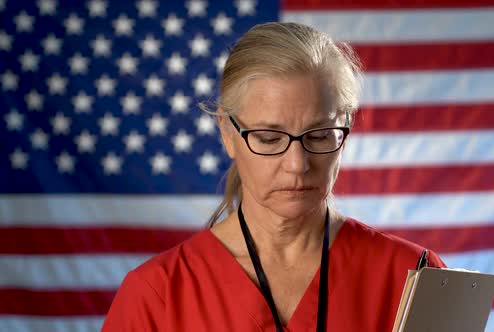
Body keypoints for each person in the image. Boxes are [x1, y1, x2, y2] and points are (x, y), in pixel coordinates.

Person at [101, 22, 445, 332]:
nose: (297, 164)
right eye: (269, 138)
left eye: (320, 134)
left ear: (346, 127)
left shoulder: (418, 278)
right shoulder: (157, 293)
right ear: (227, 132)